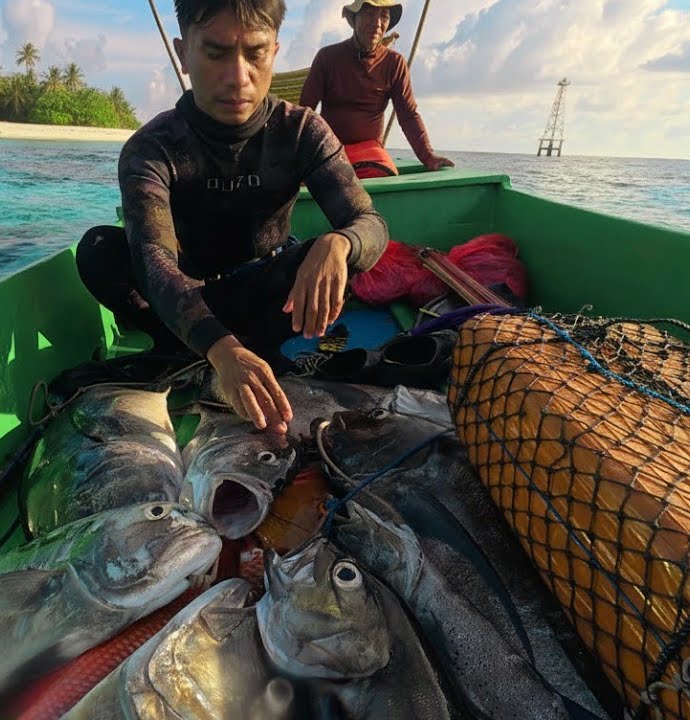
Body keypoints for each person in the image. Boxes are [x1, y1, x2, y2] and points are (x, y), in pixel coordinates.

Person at [75, 0, 389, 436]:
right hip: (182, 297)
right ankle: (199, 349)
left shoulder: (302, 131)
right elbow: (154, 261)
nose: (238, 77)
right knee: (98, 251)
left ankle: (201, 352)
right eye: (216, 53)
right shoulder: (152, 148)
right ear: (184, 53)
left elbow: (369, 223)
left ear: (274, 53)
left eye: (255, 53)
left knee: (332, 258)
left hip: (262, 296)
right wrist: (221, 349)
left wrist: (338, 244)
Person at [299, 0, 454, 178]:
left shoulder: (394, 63)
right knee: (315, 178)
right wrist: (299, 156)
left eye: (384, 16)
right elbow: (306, 111)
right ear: (353, 19)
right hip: (328, 147)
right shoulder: (327, 57)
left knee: (382, 174)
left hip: (370, 152)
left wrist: (428, 156)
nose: (377, 23)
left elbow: (408, 115)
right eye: (369, 14)